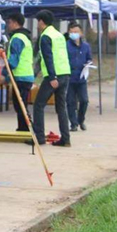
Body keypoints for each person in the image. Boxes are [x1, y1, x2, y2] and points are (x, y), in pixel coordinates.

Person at [31, 10, 71, 147]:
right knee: (61, 107)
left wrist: (52, 77)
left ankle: (39, 137)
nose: (37, 25)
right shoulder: (59, 35)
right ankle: (66, 138)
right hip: (65, 73)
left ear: (42, 21)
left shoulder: (45, 36)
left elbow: (48, 57)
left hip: (53, 76)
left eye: (37, 21)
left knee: (38, 105)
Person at [0, 13, 34, 132]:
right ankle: (23, 128)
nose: (8, 26)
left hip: (21, 76)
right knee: (20, 105)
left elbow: (14, 59)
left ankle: (27, 128)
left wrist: (5, 74)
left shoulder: (17, 38)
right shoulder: (25, 36)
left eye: (9, 23)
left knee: (20, 105)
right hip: (24, 75)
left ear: (15, 23)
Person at [66, 21, 93, 131]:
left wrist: (88, 64)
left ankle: (80, 119)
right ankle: (73, 123)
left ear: (81, 33)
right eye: (72, 32)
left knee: (84, 101)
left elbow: (89, 58)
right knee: (70, 102)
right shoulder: (66, 45)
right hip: (69, 78)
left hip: (81, 78)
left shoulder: (86, 46)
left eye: (76, 32)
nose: (74, 34)